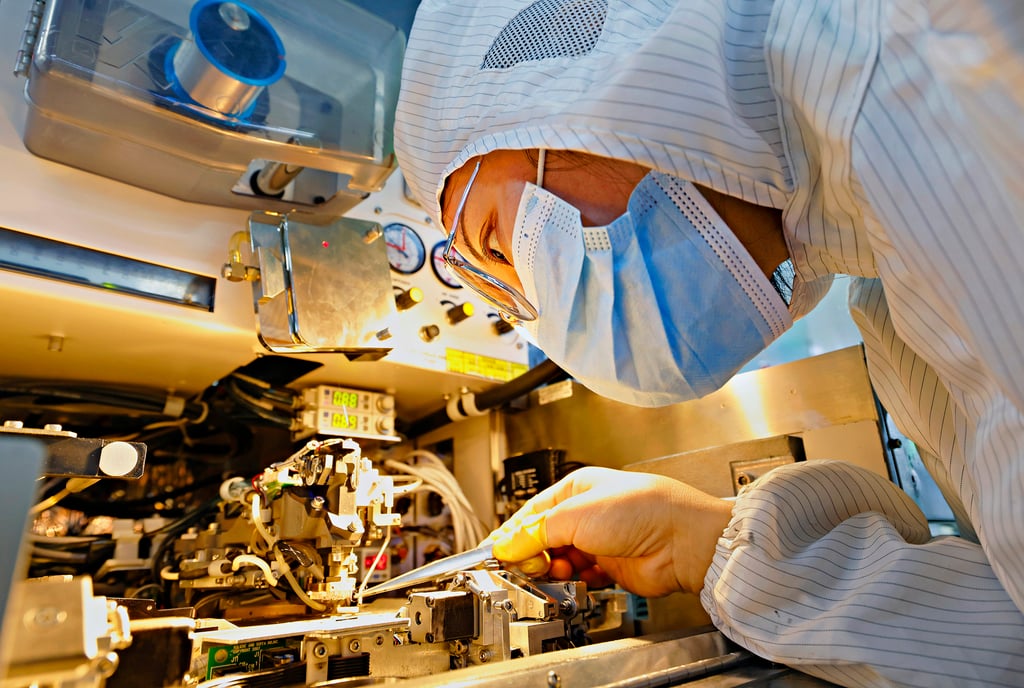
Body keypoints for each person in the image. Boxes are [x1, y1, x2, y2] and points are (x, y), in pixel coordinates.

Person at [392, 1, 1024, 686]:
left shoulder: (945, 92)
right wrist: (698, 540)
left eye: (496, 244)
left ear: (577, 96)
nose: (549, 317)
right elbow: (1000, 634)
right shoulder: (889, 292)